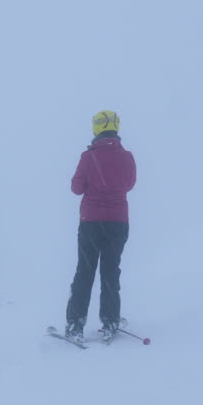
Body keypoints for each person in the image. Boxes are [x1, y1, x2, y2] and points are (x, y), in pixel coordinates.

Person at [64, 111, 137, 343]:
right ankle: (110, 321)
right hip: (117, 222)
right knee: (110, 272)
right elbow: (129, 184)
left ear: (96, 128)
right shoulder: (127, 157)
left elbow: (76, 189)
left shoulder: (88, 157)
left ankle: (75, 324)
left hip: (91, 223)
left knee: (84, 272)